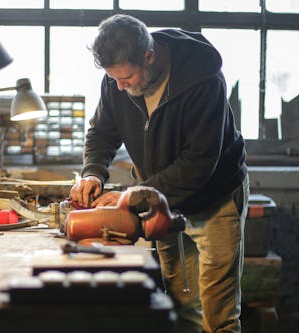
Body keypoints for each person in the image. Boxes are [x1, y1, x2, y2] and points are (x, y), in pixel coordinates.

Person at [69, 14, 250, 333]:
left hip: (216, 200)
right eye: (114, 80)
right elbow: (101, 132)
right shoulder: (117, 80)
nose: (120, 87)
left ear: (149, 57)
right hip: (162, 201)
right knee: (180, 306)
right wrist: (93, 172)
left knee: (218, 318)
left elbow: (199, 163)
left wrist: (134, 196)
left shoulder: (203, 80)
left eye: (126, 78)